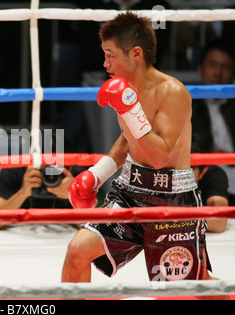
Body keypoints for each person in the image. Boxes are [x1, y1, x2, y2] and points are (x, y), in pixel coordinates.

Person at [62, 12, 214, 284]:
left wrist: (130, 109)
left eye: (110, 54)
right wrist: (97, 174)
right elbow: (127, 139)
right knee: (76, 252)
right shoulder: (126, 88)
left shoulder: (172, 92)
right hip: (129, 191)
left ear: (135, 54)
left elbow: (159, 157)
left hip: (172, 200)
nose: (105, 62)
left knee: (187, 288)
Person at [191, 39, 235, 205]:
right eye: (212, 64)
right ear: (200, 69)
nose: (218, 72)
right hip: (205, 178)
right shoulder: (186, 105)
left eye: (226, 67)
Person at [0, 165, 83, 230]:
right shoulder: (16, 170)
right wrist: (22, 193)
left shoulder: (79, 176)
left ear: (68, 167)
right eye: (44, 168)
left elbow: (91, 228)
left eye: (55, 168)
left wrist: (74, 194)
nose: (49, 174)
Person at [194, 165, 228, 233]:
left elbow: (219, 223)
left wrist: (180, 210)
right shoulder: (168, 173)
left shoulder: (214, 174)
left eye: (190, 168)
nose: (181, 173)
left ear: (202, 173)